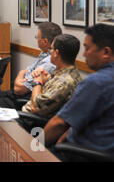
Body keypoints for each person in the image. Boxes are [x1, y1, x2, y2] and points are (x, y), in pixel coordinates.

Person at [44, 24, 114, 156]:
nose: (83, 54)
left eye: (87, 48)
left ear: (106, 52)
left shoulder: (97, 82)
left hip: (81, 155)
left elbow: (58, 124)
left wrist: (34, 146)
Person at [0, 22, 62, 109]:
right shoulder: (44, 53)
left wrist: (21, 74)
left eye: (37, 37)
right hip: (15, 95)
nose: (36, 39)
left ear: (45, 41)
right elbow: (27, 71)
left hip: (21, 100)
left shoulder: (48, 63)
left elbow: (19, 89)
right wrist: (22, 75)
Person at [21, 34, 82, 119]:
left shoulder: (64, 82)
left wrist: (38, 82)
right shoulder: (66, 72)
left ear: (56, 53)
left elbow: (35, 108)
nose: (50, 52)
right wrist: (45, 80)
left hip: (31, 122)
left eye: (51, 49)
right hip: (27, 114)